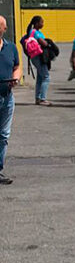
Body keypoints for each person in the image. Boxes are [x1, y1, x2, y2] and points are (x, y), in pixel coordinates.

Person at [0, 15, 20, 186]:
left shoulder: (11, 48)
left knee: (3, 135)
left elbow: (17, 66)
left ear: (4, 29)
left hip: (6, 96)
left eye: (0, 26)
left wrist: (16, 77)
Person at [23, 15, 51, 105]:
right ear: (36, 23)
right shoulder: (35, 32)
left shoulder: (32, 32)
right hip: (38, 56)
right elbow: (43, 42)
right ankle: (43, 99)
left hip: (34, 57)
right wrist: (48, 44)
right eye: (41, 22)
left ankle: (38, 98)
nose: (43, 24)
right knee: (46, 77)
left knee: (40, 77)